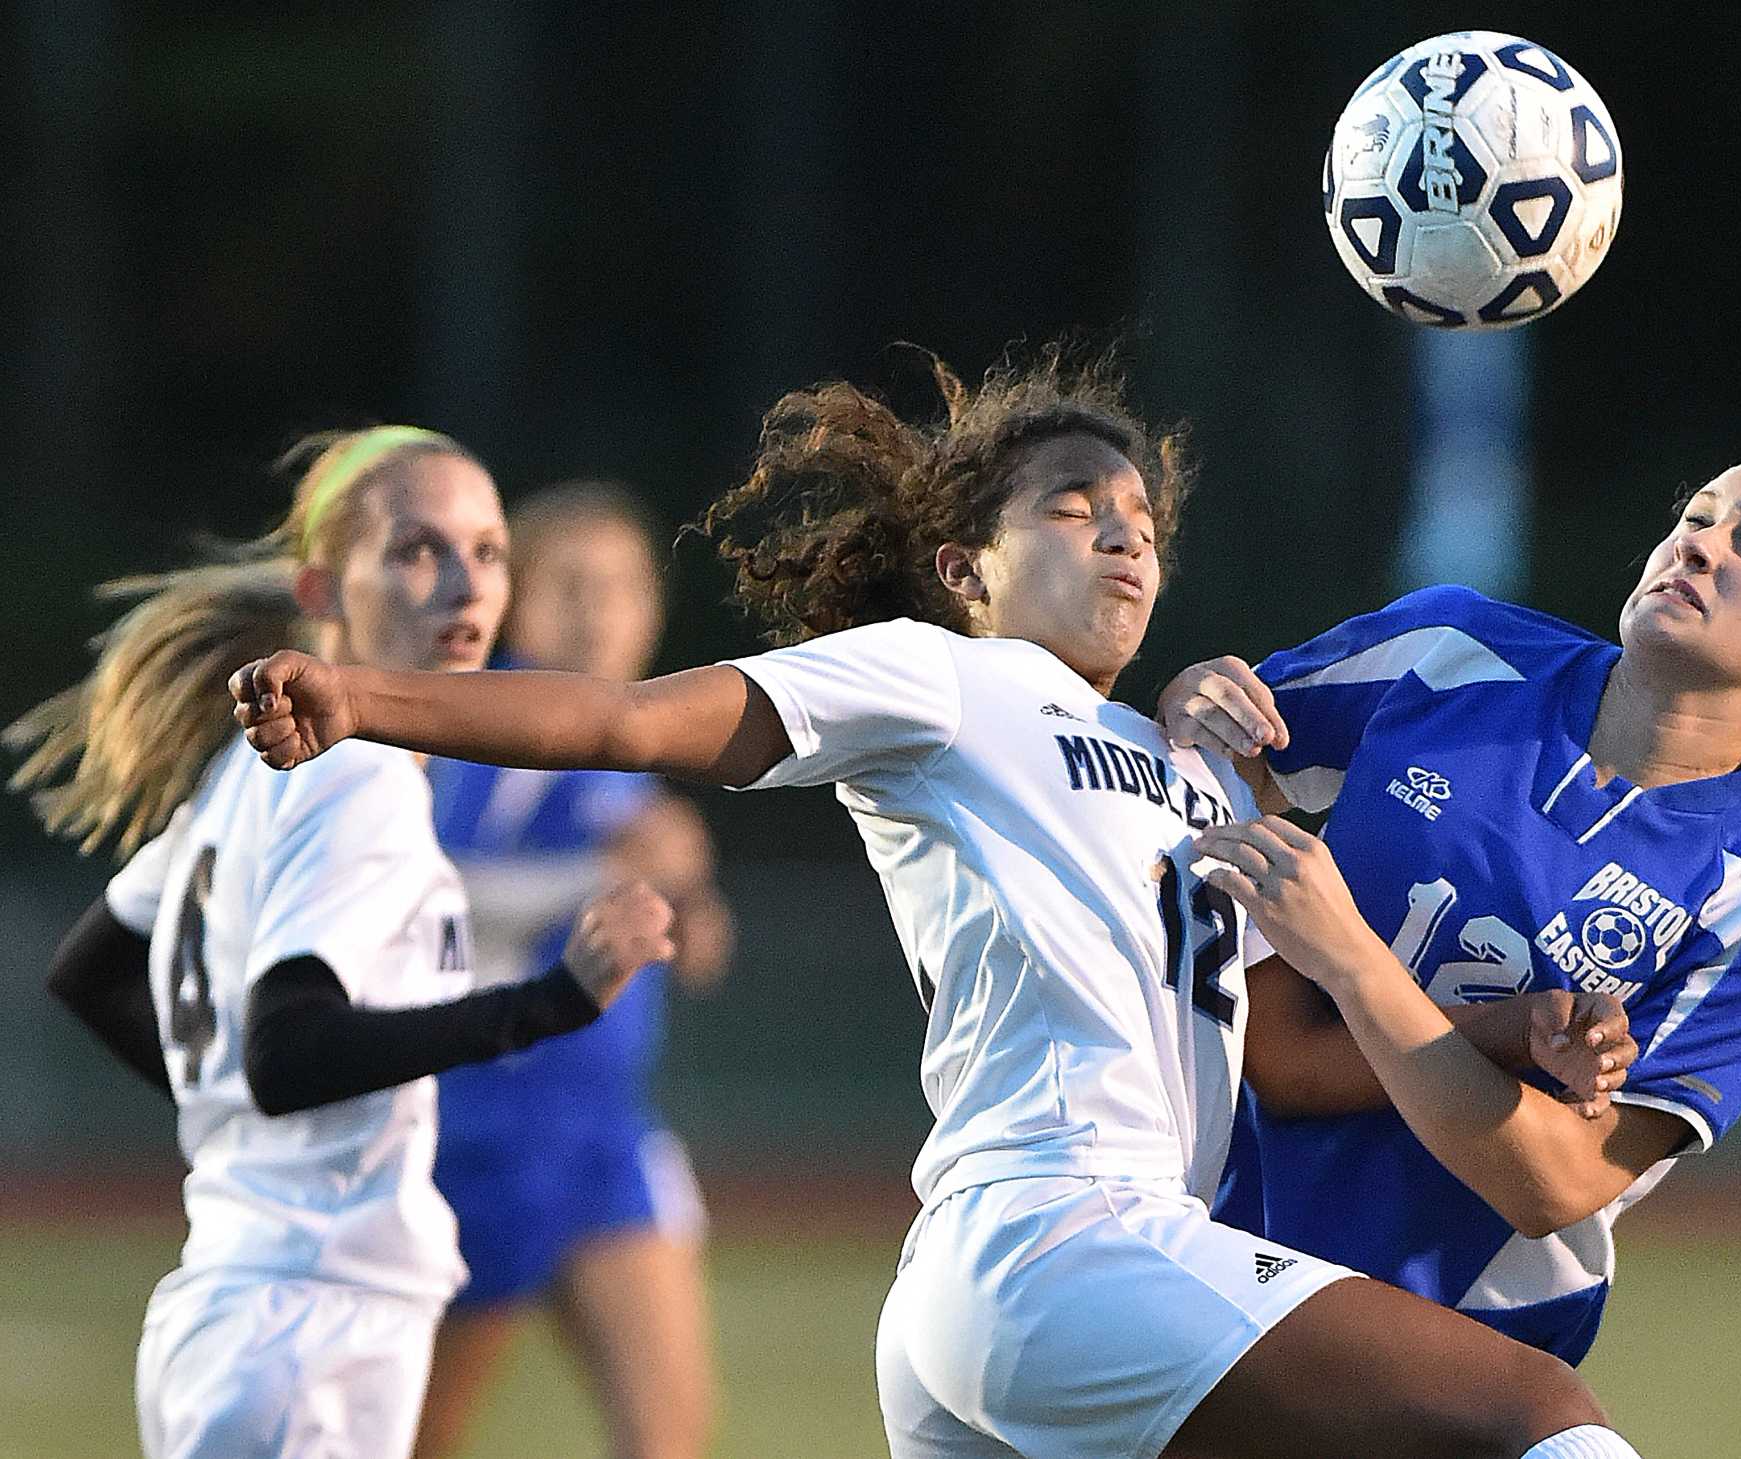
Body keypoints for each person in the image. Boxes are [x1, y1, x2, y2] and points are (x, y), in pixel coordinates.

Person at [230, 353, 1648, 1459]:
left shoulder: (1200, 771)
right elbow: (626, 718)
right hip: (1060, 1232)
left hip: (1022, 1287)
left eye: (1143, 518)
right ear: (966, 569)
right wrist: (360, 698)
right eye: (1074, 510)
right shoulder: (939, 677)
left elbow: (1284, 1053)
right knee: (1532, 1409)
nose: (1123, 538)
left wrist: (1515, 1024)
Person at [1160, 449, 1741, 1364]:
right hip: (1209, 1232)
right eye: (1697, 518)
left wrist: (1353, 962)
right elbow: (1205, 784)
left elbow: (1554, 1178)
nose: (1700, 548)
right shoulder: (1455, 646)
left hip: (1453, 1331)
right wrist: (1190, 712)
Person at [9, 426, 674, 1459]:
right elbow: (289, 1050)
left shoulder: (252, 770)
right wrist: (555, 999)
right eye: (416, 550)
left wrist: (237, 1110)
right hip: (312, 1328)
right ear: (324, 589)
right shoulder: (356, 774)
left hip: (246, 1308)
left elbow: (89, 971)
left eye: (487, 551)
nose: (464, 583)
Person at [413, 483, 732, 1459]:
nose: (599, 610)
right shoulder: (476, 725)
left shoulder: (627, 746)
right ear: (513, 599)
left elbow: (683, 925)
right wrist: (604, 874)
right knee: (407, 1437)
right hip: (473, 1136)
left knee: (667, 1436)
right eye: (571, 583)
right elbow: (432, 904)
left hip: (601, 1136)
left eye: (623, 585)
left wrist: (689, 912)